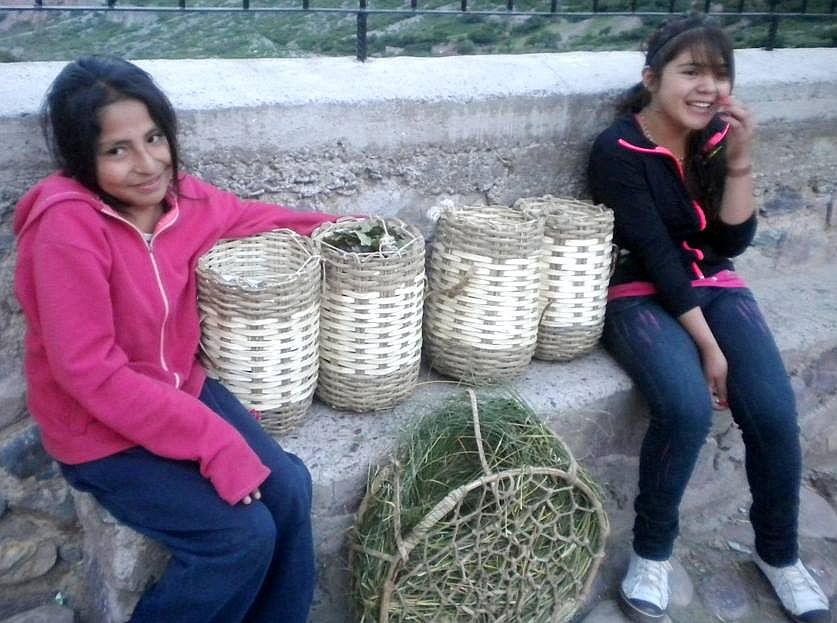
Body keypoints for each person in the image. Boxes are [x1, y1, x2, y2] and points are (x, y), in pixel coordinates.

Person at [13, 56, 337, 623]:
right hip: (98, 432)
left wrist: (350, 230)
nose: (147, 164)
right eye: (117, 150)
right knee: (238, 537)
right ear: (82, 157)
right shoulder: (66, 230)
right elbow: (91, 373)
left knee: (288, 489)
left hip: (178, 390)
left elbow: (256, 220)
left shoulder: (183, 202)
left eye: (154, 138)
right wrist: (216, 445)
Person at [587, 15, 832, 623]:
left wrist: (741, 158)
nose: (709, 87)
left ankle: (779, 554)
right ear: (652, 79)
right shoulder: (619, 150)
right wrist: (710, 348)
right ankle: (652, 552)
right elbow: (657, 257)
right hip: (639, 293)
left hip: (715, 284)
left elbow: (731, 241)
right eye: (691, 71)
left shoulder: (716, 139)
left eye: (720, 74)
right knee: (686, 407)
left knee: (773, 412)